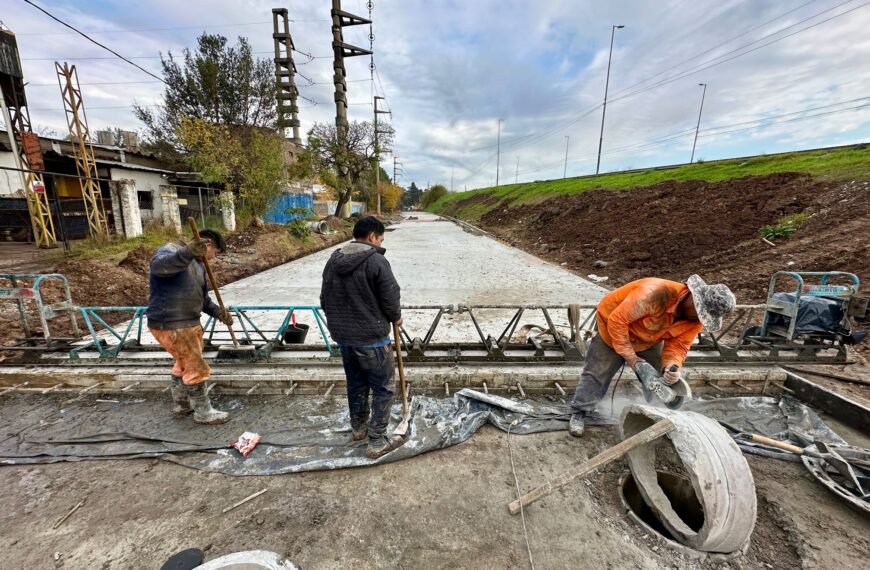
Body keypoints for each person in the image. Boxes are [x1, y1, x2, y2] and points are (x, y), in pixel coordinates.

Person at [568, 274, 736, 437]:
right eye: (699, 313)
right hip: (612, 330)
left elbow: (679, 345)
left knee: (658, 376)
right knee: (597, 373)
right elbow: (617, 321)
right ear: (693, 298)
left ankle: (658, 414)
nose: (699, 318)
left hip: (649, 339)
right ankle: (579, 412)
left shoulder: (695, 321)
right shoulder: (655, 293)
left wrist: (671, 366)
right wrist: (632, 358)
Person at [320, 216, 405, 459]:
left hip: (345, 339)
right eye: (380, 239)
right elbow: (390, 296)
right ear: (371, 237)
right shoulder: (376, 261)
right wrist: (396, 317)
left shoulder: (333, 260)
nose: (380, 243)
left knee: (356, 385)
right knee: (383, 389)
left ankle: (359, 428)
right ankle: (377, 441)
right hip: (372, 340)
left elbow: (324, 299)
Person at [146, 229, 234, 425]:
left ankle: (182, 405)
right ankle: (204, 413)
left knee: (183, 363)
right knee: (195, 367)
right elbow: (159, 267)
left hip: (183, 324)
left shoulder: (198, 266)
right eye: (216, 253)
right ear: (207, 244)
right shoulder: (171, 252)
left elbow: (202, 300)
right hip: (175, 323)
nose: (214, 258)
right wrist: (187, 252)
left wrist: (219, 313)